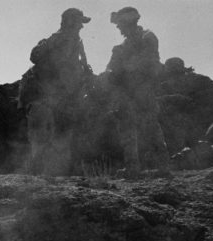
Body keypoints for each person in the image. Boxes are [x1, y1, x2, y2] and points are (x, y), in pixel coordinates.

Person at [19, 8, 94, 175]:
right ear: (70, 22)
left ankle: (53, 177)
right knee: (43, 140)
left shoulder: (74, 42)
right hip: (45, 97)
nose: (81, 27)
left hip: (61, 98)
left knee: (61, 138)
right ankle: (39, 180)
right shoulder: (58, 40)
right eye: (78, 23)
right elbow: (57, 70)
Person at [105, 6, 169, 176]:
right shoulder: (120, 47)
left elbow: (148, 62)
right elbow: (111, 69)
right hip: (127, 91)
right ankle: (133, 167)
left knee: (150, 126)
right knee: (127, 127)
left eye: (120, 24)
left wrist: (122, 70)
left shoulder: (147, 37)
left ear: (128, 22)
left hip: (143, 89)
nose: (118, 28)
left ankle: (163, 166)